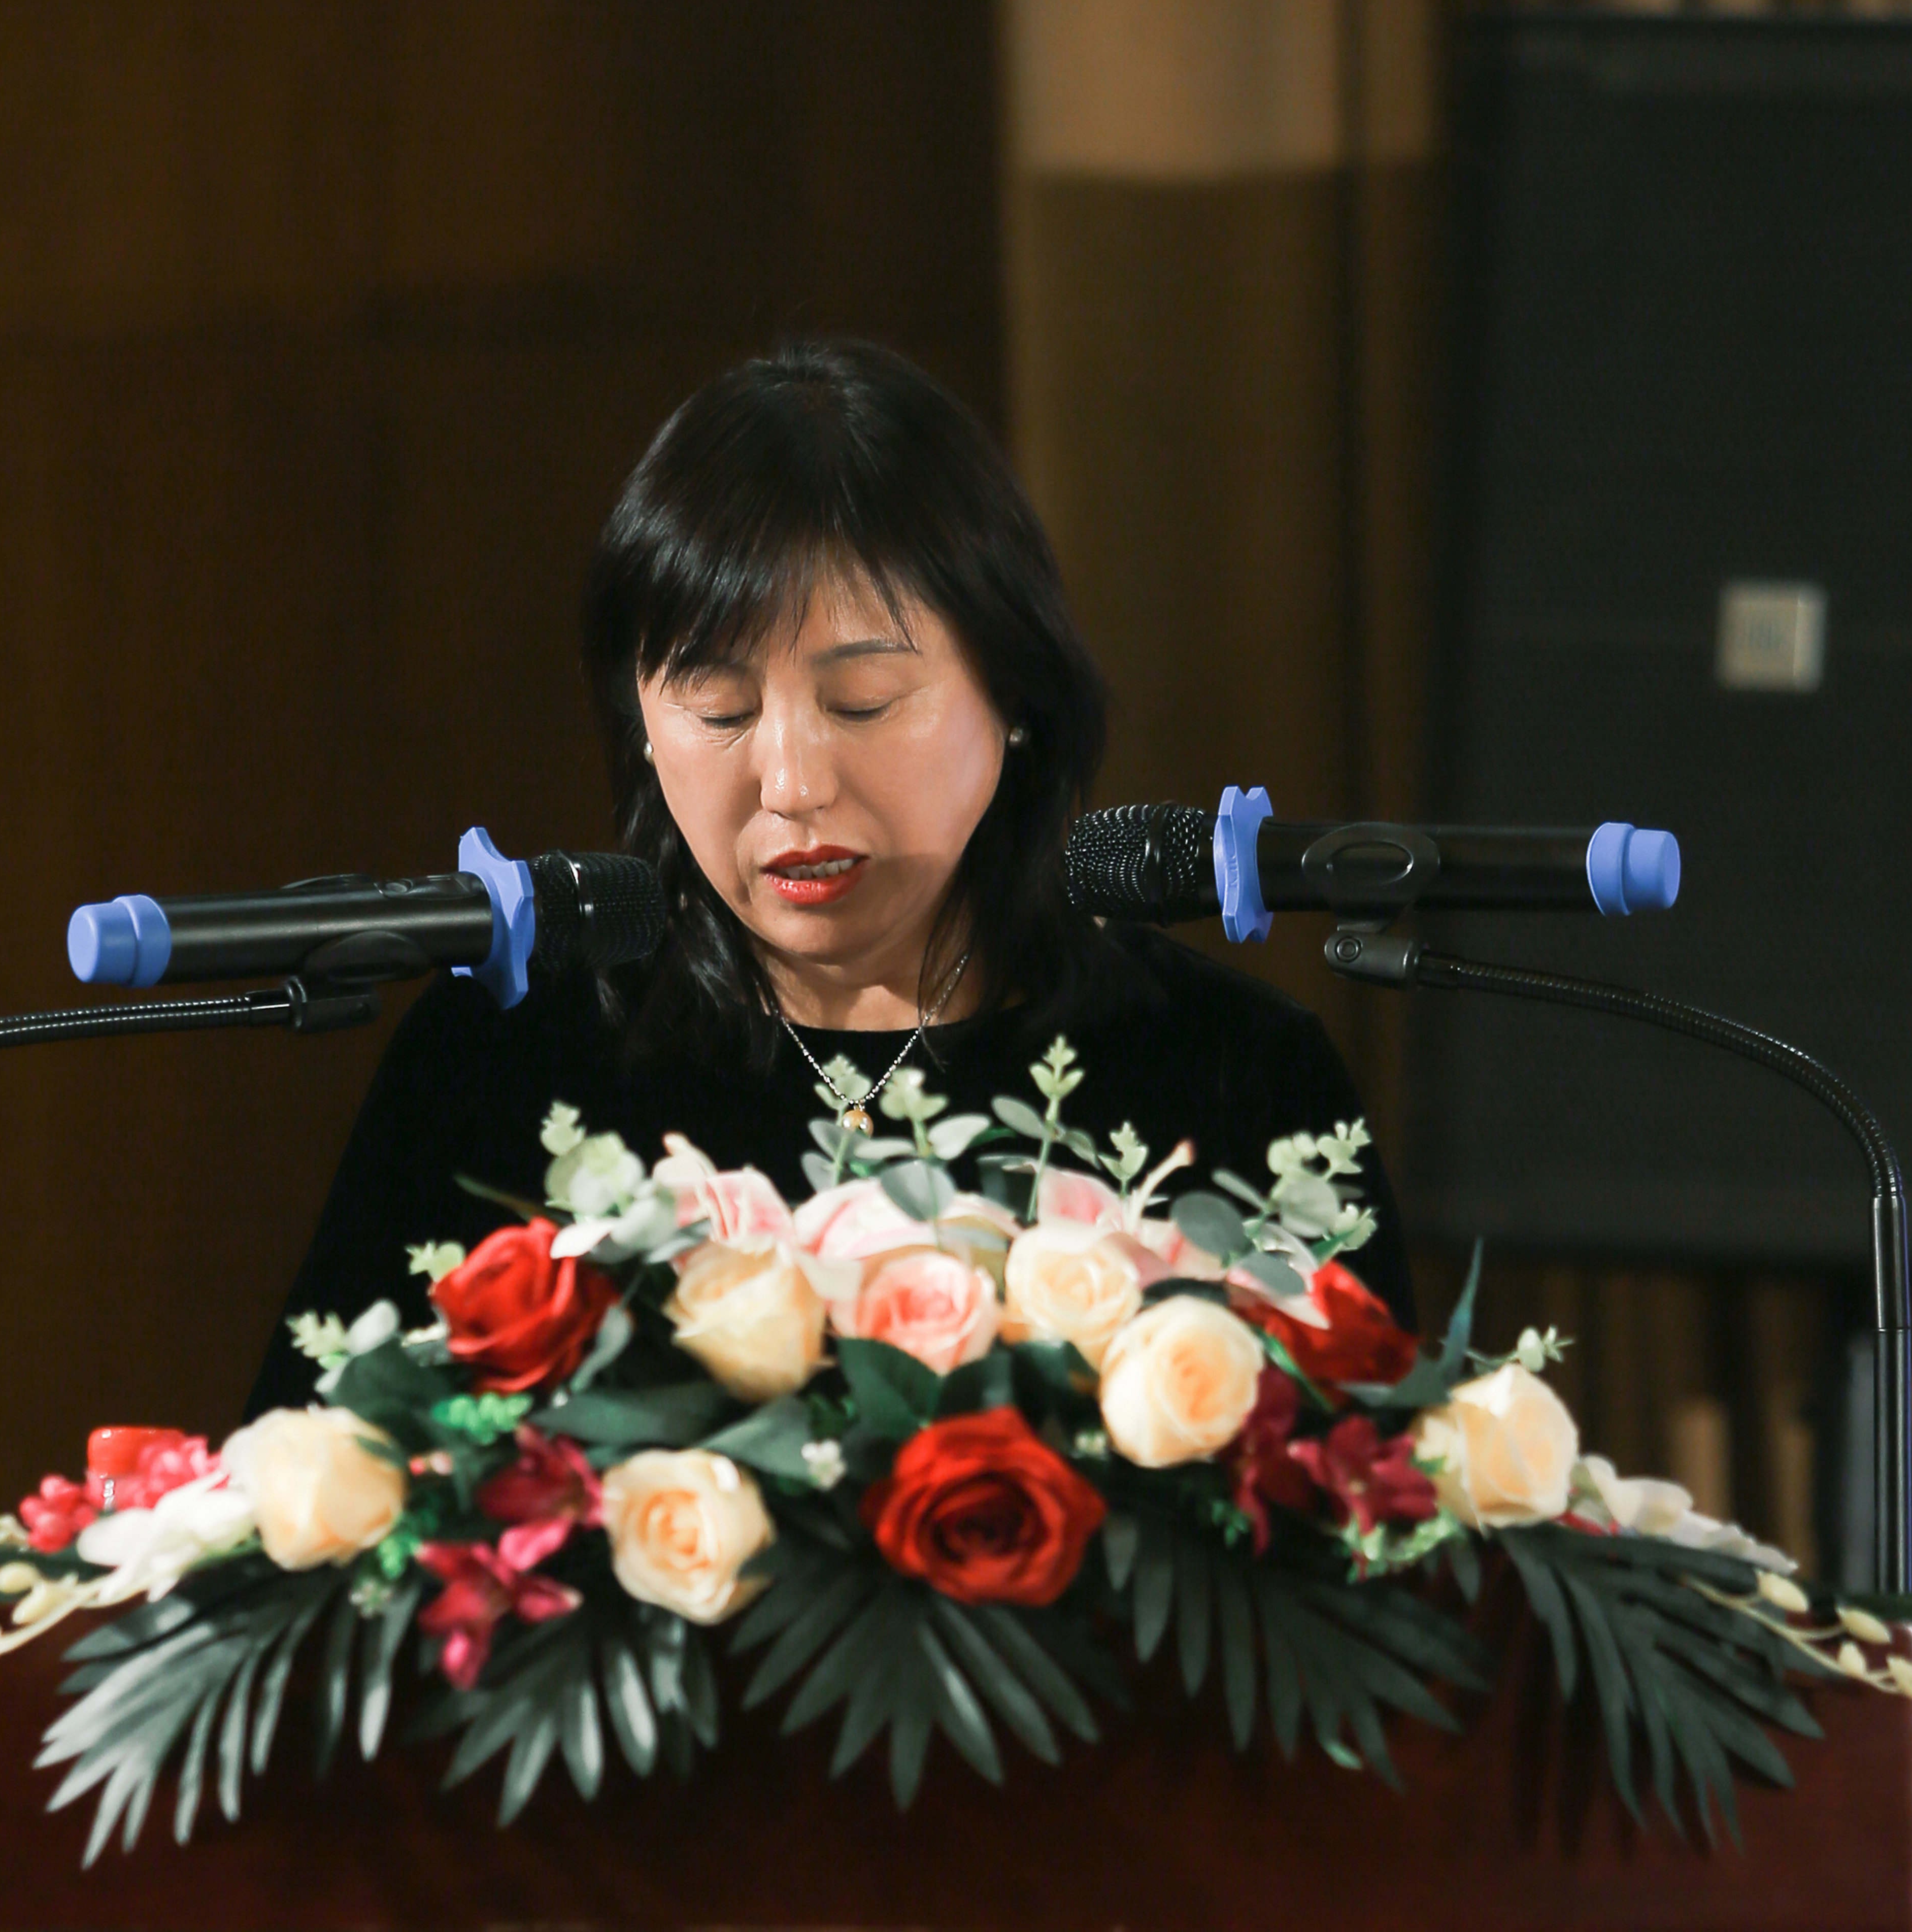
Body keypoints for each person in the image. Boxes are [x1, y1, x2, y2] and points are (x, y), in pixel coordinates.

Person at [245, 338, 1412, 1415]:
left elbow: (1381, 1507)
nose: (793, 783)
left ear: (1014, 693)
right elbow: (311, 1485)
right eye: (720, 709)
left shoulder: (1229, 1072)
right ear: (642, 726)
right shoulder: (503, 1062)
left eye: (862, 702)